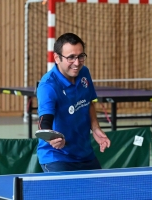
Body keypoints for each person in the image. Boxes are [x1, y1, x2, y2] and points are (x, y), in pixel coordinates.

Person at [36, 33, 111, 172]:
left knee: (99, 193)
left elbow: (88, 102)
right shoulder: (48, 86)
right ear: (57, 58)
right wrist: (53, 138)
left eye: (80, 56)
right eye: (71, 57)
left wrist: (95, 128)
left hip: (85, 153)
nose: (77, 63)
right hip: (58, 158)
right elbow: (43, 123)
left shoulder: (84, 72)